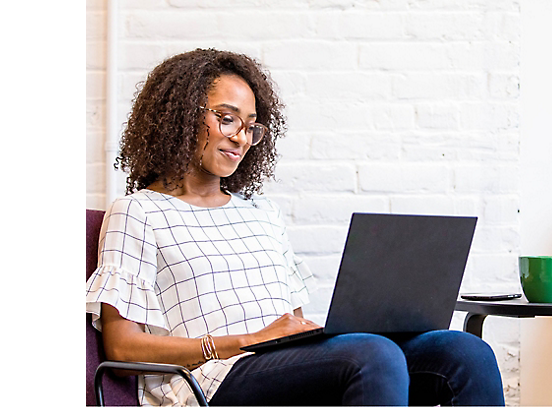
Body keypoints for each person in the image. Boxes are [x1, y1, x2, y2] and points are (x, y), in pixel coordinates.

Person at [85, 48, 505, 406]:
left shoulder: (261, 213)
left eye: (251, 126)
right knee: (372, 355)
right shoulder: (138, 211)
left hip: (281, 362)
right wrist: (242, 341)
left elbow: (291, 322)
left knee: (464, 351)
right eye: (226, 119)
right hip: (210, 381)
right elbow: (123, 345)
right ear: (178, 116)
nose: (241, 138)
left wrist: (308, 334)